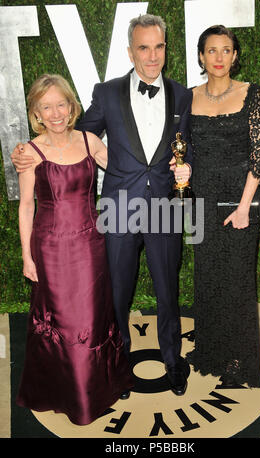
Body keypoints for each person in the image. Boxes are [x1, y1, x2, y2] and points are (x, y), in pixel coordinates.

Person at [12, 14, 193, 397]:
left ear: (166, 49)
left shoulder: (183, 94)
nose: (152, 55)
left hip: (165, 208)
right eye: (143, 47)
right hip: (118, 209)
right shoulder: (107, 93)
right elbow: (73, 134)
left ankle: (174, 363)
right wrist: (29, 152)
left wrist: (186, 164)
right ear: (130, 51)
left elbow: (184, 145)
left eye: (158, 46)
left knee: (167, 291)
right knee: (117, 294)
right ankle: (118, 367)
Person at [16, 74, 133, 426]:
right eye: (46, 107)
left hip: (90, 245)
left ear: (72, 106)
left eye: (61, 104)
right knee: (62, 322)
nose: (55, 113)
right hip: (50, 248)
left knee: (93, 319)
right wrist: (26, 255)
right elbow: (25, 206)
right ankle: (66, 393)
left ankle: (99, 388)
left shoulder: (89, 140)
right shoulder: (30, 152)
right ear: (36, 112)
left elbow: (124, 171)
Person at [187, 25, 260, 387]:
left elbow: (258, 157)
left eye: (226, 50)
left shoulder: (252, 93)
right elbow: (182, 149)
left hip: (239, 202)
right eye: (211, 50)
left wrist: (244, 207)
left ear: (235, 56)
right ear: (201, 56)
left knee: (237, 283)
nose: (219, 58)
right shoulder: (187, 98)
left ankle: (238, 362)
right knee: (207, 279)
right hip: (202, 201)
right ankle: (210, 350)